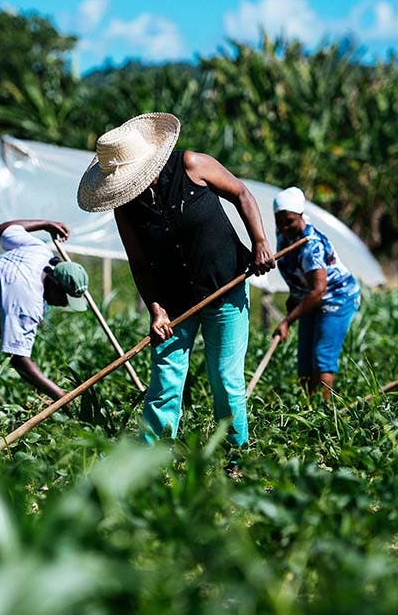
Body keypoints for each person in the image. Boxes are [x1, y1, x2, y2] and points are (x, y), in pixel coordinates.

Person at [77, 112, 274, 466]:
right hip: (173, 303)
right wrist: (156, 310)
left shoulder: (192, 165)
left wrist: (259, 242)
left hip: (224, 287)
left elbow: (241, 194)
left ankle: (236, 458)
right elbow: (139, 262)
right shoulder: (126, 207)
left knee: (225, 378)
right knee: (165, 381)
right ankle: (151, 461)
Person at [0, 219, 89, 400]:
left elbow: (3, 229)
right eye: (65, 299)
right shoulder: (26, 300)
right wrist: (60, 395)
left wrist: (44, 225)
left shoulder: (39, 251)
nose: (64, 305)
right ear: (54, 284)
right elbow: (17, 358)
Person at [271, 187, 361, 400]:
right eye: (280, 221)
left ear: (301, 216)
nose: (284, 227)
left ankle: (323, 414)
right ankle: (307, 408)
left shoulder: (312, 247)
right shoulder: (285, 235)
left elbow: (319, 290)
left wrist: (287, 321)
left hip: (336, 297)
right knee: (304, 361)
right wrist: (294, 299)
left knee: (321, 359)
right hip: (310, 298)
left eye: (289, 221)